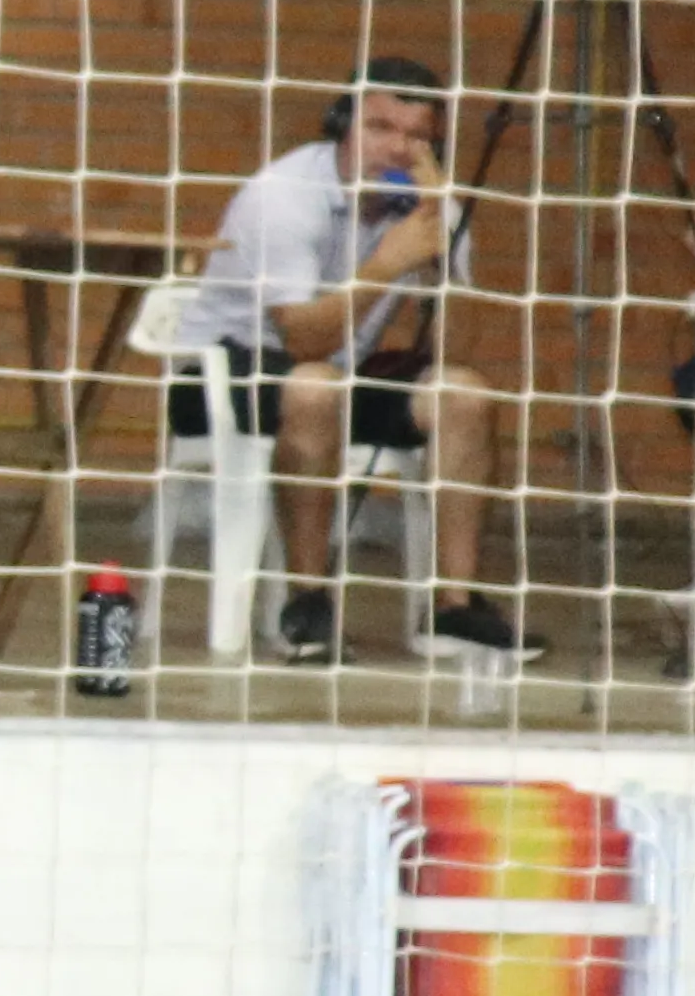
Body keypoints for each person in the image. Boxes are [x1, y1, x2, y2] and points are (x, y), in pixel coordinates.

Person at [194, 57, 520, 661]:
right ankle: (308, 602)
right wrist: (386, 267)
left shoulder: (430, 207)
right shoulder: (286, 195)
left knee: (465, 393)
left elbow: (458, 350)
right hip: (232, 365)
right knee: (316, 385)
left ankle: (453, 606)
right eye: (379, 128)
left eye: (416, 136)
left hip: (337, 371)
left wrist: (443, 250)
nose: (397, 148)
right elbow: (302, 342)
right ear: (341, 125)